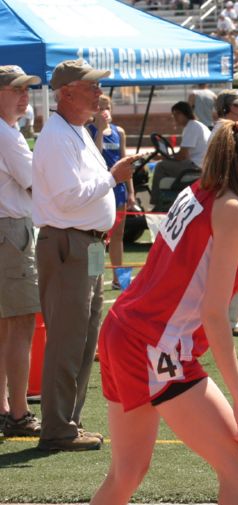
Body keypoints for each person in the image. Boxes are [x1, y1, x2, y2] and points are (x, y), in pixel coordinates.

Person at [82, 114, 238, 505]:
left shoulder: (200, 191)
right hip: (154, 343)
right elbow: (215, 315)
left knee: (126, 473)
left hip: (125, 328)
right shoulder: (233, 210)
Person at [32, 59, 137, 451]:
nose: (98, 92)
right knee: (68, 338)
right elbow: (68, 197)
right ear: (67, 92)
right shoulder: (59, 136)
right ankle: (58, 426)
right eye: (90, 85)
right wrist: (114, 177)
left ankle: (66, 422)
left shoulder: (73, 131)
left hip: (87, 244)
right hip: (70, 244)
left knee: (84, 336)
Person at [0, 65, 42, 438]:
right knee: (21, 322)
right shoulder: (7, 136)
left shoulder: (9, 132)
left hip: (8, 230)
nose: (24, 95)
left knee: (6, 325)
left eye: (26, 89)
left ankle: (7, 410)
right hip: (11, 232)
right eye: (16, 89)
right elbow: (34, 182)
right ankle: (18, 413)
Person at [210, 89, 238, 337]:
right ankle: (227, 321)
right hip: (228, 203)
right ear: (227, 108)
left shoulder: (225, 130)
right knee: (230, 264)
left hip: (229, 201)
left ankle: (228, 319)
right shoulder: (225, 132)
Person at [87, 95, 135, 290]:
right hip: (100, 187)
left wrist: (131, 192)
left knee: (118, 234)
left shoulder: (119, 131)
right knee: (97, 236)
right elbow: (95, 157)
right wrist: (99, 130)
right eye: (100, 108)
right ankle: (95, 277)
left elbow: (125, 162)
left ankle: (119, 278)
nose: (104, 111)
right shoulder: (88, 130)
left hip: (119, 189)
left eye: (107, 107)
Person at [151, 101, 211, 207]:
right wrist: (168, 157)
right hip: (199, 165)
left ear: (183, 113)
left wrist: (163, 157)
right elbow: (183, 154)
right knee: (166, 164)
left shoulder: (191, 127)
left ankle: (156, 203)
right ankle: (168, 202)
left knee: (161, 166)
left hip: (196, 167)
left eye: (176, 115)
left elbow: (183, 155)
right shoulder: (196, 125)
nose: (175, 118)